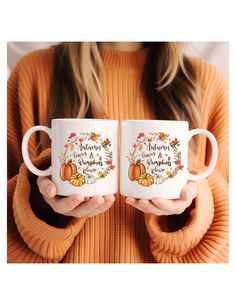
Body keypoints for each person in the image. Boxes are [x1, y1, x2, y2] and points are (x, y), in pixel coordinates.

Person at [7, 42, 228, 263]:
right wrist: (38, 200)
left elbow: (227, 239)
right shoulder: (32, 74)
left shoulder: (205, 82)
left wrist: (195, 202)